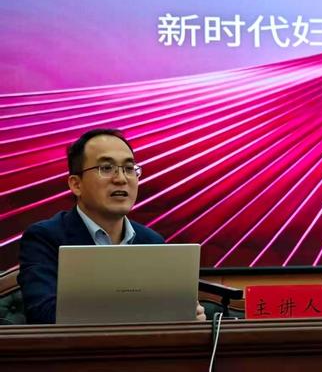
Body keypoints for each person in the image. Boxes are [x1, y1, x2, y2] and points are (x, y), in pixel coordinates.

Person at [18, 128, 206, 324]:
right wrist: (147, 312)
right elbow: (43, 315)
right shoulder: (45, 238)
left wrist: (187, 316)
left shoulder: (152, 241)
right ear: (76, 184)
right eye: (106, 168)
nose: (121, 179)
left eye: (129, 168)